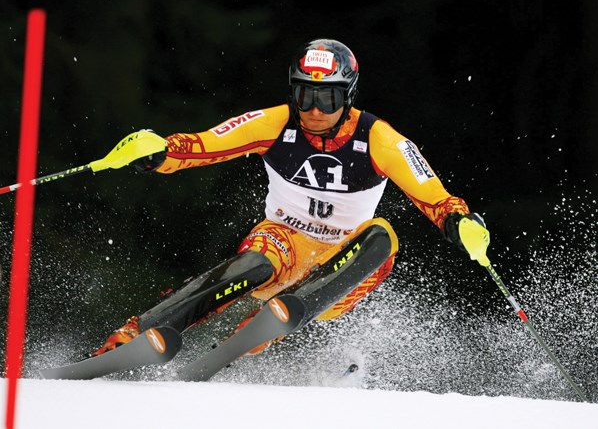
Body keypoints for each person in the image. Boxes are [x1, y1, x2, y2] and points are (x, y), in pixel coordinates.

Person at [90, 38, 487, 359]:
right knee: (257, 261)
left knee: (383, 235)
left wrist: (461, 221)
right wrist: (158, 150)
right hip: (285, 244)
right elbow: (204, 145)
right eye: (304, 95)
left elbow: (435, 196)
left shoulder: (379, 138)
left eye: (327, 99)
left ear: (346, 96)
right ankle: (139, 331)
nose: (313, 110)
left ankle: (264, 326)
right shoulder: (275, 123)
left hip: (339, 269)